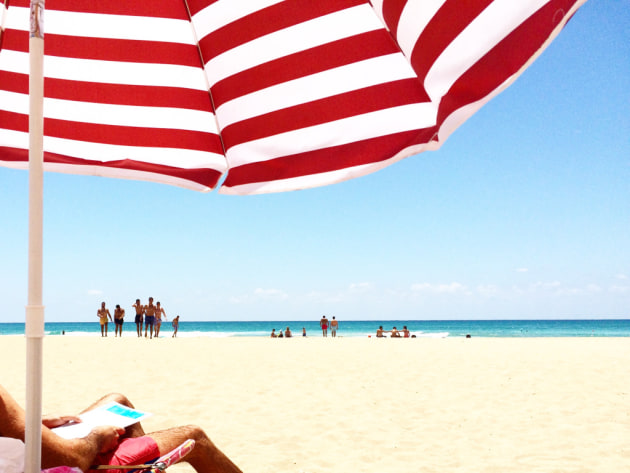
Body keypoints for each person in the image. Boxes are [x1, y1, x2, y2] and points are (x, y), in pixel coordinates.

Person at [0, 384, 242, 473]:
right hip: (53, 465)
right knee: (195, 438)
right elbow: (69, 459)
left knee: (118, 401)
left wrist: (39, 421)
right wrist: (97, 438)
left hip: (23, 453)